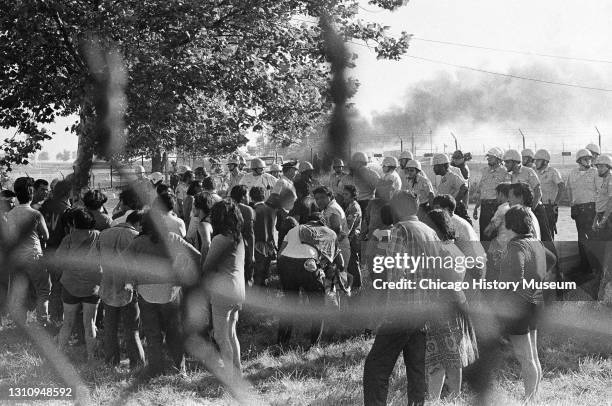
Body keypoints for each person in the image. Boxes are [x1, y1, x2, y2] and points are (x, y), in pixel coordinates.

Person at [363, 191, 446, 406]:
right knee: (416, 369)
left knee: (376, 367)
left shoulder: (400, 230)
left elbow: (395, 274)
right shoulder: (430, 231)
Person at [124, 211, 200, 379]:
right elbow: (197, 256)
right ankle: (180, 370)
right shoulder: (173, 238)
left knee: (152, 334)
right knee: (174, 332)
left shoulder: (138, 242)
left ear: (144, 224)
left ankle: (156, 371)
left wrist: (134, 278)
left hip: (145, 291)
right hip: (170, 291)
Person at [494, 206, 552, 402]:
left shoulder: (515, 245)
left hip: (519, 306)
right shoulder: (535, 241)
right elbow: (552, 259)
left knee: (525, 357)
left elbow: (514, 277)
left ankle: (529, 400)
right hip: (536, 302)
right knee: (532, 356)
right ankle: (533, 397)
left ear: (510, 223)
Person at [425, 209, 478, 401]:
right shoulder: (455, 249)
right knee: (454, 358)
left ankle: (433, 399)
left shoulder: (438, 251)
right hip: (459, 304)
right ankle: (455, 397)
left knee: (437, 359)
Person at [276, 215, 340, 346]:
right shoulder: (329, 233)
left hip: (285, 262)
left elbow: (279, 254)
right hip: (308, 263)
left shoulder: (294, 229)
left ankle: (281, 343)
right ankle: (314, 345)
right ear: (323, 223)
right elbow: (332, 259)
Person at [201, 200, 246, 380]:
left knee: (221, 337)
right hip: (239, 289)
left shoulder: (219, 239)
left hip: (223, 290)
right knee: (231, 333)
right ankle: (238, 372)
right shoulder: (239, 238)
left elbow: (207, 268)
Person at [97, 210, 145, 369]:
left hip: (107, 285)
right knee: (132, 330)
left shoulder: (103, 234)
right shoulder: (136, 237)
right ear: (138, 223)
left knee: (109, 329)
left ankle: (111, 363)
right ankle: (137, 365)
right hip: (128, 287)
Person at [55, 208, 101, 362]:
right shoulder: (98, 236)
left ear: (74, 223)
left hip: (70, 286)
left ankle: (59, 354)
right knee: (90, 324)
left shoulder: (68, 239)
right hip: (92, 287)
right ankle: (91, 357)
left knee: (67, 323)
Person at [5, 177, 50, 327]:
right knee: (44, 290)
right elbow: (46, 235)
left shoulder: (9, 215)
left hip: (17, 259)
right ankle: (42, 321)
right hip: (34, 256)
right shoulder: (35, 214)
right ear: (31, 194)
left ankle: (21, 323)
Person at [504, 149, 552, 242]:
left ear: (515, 162)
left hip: (535, 209)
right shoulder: (511, 175)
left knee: (545, 239)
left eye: (507, 162)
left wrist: (531, 210)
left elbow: (538, 192)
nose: (505, 164)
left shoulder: (528, 171)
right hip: (522, 212)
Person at [565, 149, 598, 280]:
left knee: (592, 238)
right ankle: (584, 266)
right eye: (585, 159)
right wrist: (572, 205)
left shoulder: (595, 172)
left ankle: (594, 267)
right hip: (578, 209)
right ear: (579, 160)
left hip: (592, 208)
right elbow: (569, 189)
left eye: (589, 159)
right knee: (581, 238)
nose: (588, 161)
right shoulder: (573, 173)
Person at [313, 186, 352, 282]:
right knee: (336, 280)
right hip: (337, 247)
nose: (319, 201)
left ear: (330, 196)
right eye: (317, 199)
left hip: (339, 248)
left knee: (337, 280)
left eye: (322, 197)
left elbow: (336, 231)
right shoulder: (329, 208)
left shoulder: (332, 210)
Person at [472, 147, 509, 241]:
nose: (488, 159)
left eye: (491, 157)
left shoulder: (504, 172)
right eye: (488, 157)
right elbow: (482, 190)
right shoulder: (485, 171)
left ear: (498, 159)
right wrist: (476, 207)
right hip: (484, 207)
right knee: (484, 236)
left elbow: (507, 192)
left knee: (496, 236)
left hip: (496, 207)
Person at [592, 154, 612, 300]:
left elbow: (611, 201)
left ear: (608, 166)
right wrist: (595, 219)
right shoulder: (604, 180)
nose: (598, 168)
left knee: (606, 254)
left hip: (608, 219)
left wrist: (604, 219)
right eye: (597, 166)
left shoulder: (610, 179)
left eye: (601, 166)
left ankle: (605, 291)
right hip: (602, 217)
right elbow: (601, 202)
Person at [534, 149, 565, 240]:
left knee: (548, 233)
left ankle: (550, 253)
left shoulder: (553, 172)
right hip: (537, 206)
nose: (535, 163)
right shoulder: (535, 172)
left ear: (545, 161)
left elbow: (562, 187)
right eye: (535, 160)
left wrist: (556, 204)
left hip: (549, 207)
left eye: (538, 160)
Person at [250, 186, 278, 287]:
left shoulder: (252, 210)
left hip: (256, 246)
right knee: (265, 275)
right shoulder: (271, 210)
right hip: (269, 246)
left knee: (256, 274)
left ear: (251, 197)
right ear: (264, 196)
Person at [432, 153, 470, 224]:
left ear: (442, 166)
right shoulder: (443, 178)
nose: (433, 168)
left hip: (453, 212)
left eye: (435, 166)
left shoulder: (451, 176)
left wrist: (454, 203)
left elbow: (464, 188)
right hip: (445, 211)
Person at [229, 185, 255, 284]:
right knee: (245, 278)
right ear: (243, 196)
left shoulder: (224, 206)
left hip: (226, 246)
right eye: (248, 195)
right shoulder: (247, 210)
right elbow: (250, 233)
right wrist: (252, 255)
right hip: (242, 246)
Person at [342, 184, 363, 290]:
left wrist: (342, 237)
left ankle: (357, 285)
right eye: (343, 194)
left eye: (346, 194)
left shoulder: (354, 207)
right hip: (351, 238)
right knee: (351, 262)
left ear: (353, 195)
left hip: (353, 238)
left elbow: (349, 226)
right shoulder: (350, 205)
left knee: (353, 262)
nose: (344, 196)